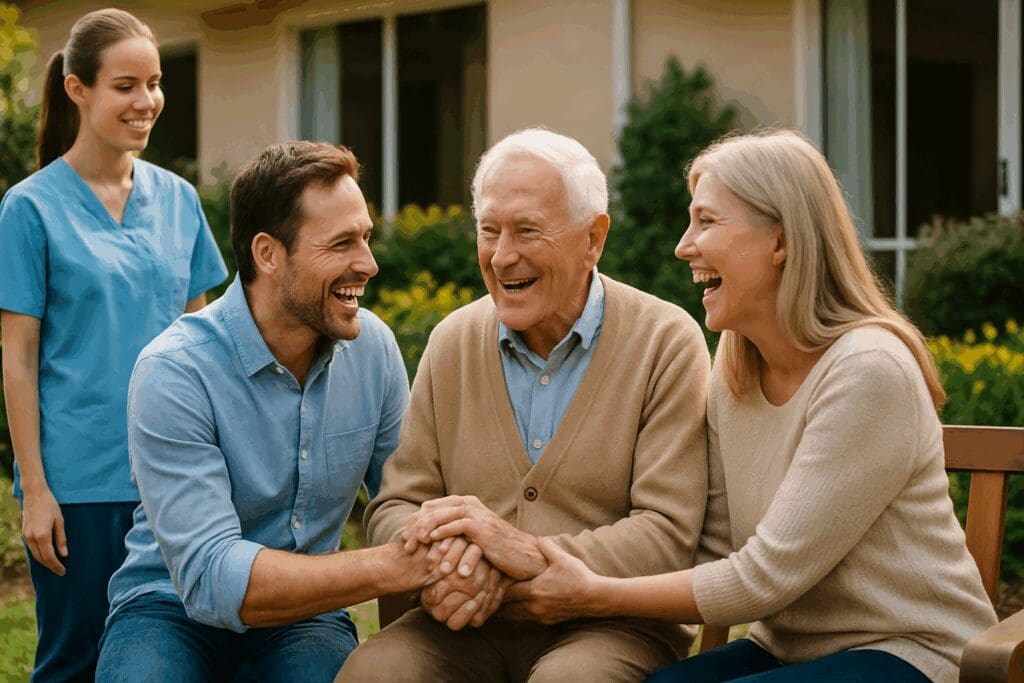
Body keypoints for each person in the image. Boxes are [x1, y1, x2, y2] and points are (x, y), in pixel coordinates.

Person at [458, 129, 999, 683]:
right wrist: (511, 563)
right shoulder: (737, 367)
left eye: (707, 222)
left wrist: (588, 593)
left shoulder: (868, 370)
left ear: (780, 240)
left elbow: (764, 577)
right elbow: (710, 545)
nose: (683, 245)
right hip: (792, 649)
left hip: (910, 651)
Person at [336, 128, 711, 683]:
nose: (502, 255)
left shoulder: (665, 342)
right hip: (461, 626)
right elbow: (397, 506)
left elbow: (666, 532)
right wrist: (452, 567)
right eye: (489, 230)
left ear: (593, 239)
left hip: (610, 625)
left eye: (528, 231)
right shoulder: (453, 340)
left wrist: (520, 556)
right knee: (374, 673)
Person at [94, 141, 442, 683]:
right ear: (267, 254)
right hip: (170, 606)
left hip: (306, 618)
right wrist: (390, 566)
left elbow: (405, 499)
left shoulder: (373, 350)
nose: (368, 264)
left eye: (366, 238)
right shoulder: (174, 371)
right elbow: (210, 576)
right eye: (342, 244)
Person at [0, 9, 228, 681]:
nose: (147, 101)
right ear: (78, 89)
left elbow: (203, 341)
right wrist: (35, 490)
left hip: (174, 475)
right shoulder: (28, 209)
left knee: (176, 651)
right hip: (81, 482)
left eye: (154, 83)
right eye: (125, 85)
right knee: (75, 661)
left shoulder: (179, 200)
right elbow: (16, 355)